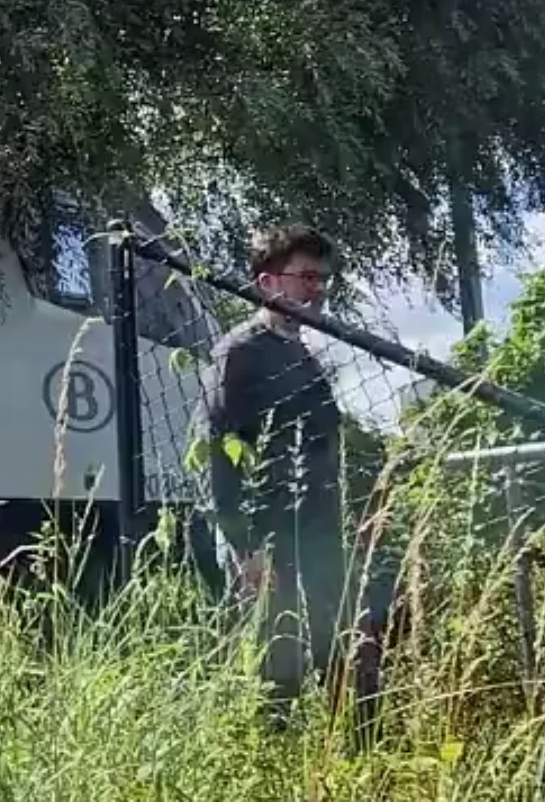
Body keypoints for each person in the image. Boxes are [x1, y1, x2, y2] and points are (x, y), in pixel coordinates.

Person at [200, 222, 363, 719]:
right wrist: (243, 546)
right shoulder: (241, 352)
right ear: (268, 283)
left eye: (321, 279)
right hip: (268, 538)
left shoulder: (302, 356)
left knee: (337, 657)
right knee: (277, 666)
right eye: (306, 276)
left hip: (314, 533)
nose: (317, 289)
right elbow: (218, 451)